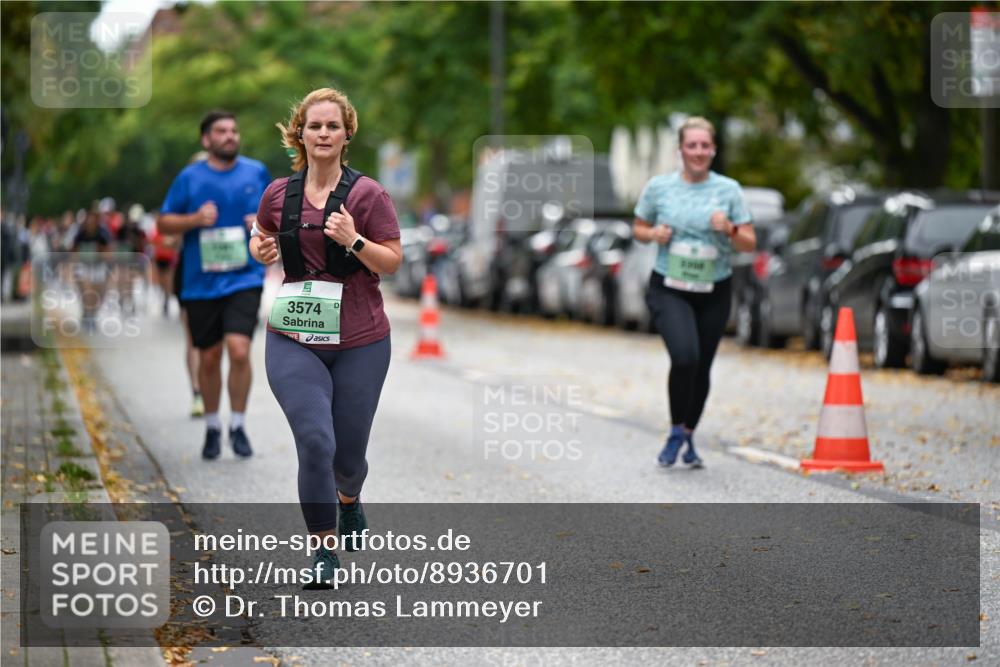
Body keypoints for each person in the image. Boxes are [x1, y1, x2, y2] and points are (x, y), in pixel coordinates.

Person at [249, 88, 401, 588]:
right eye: (314, 126)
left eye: (332, 126)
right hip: (295, 335)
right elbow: (261, 233)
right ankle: (322, 550)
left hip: (361, 339)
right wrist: (261, 247)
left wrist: (353, 240)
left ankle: (350, 499)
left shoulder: (368, 195)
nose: (323, 134)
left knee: (348, 458)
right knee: (315, 440)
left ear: (346, 133)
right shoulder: (279, 193)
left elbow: (393, 260)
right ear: (300, 133)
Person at [633, 116, 756, 468]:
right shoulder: (659, 188)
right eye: (692, 145)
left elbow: (749, 242)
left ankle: (687, 434)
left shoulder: (729, 190)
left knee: (702, 366)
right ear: (680, 150)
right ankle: (675, 432)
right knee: (685, 356)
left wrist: (730, 227)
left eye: (705, 145)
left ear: (713, 150)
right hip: (669, 287)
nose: (698, 151)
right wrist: (653, 234)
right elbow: (638, 227)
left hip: (714, 289)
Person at [157, 110, 271, 459]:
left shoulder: (256, 172)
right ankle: (211, 426)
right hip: (201, 281)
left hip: (245, 276)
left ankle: (237, 424)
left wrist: (263, 223)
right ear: (206, 140)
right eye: (221, 131)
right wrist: (194, 219)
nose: (230, 136)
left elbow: (278, 216)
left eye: (234, 130)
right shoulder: (189, 178)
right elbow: (163, 223)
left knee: (239, 349)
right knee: (209, 357)